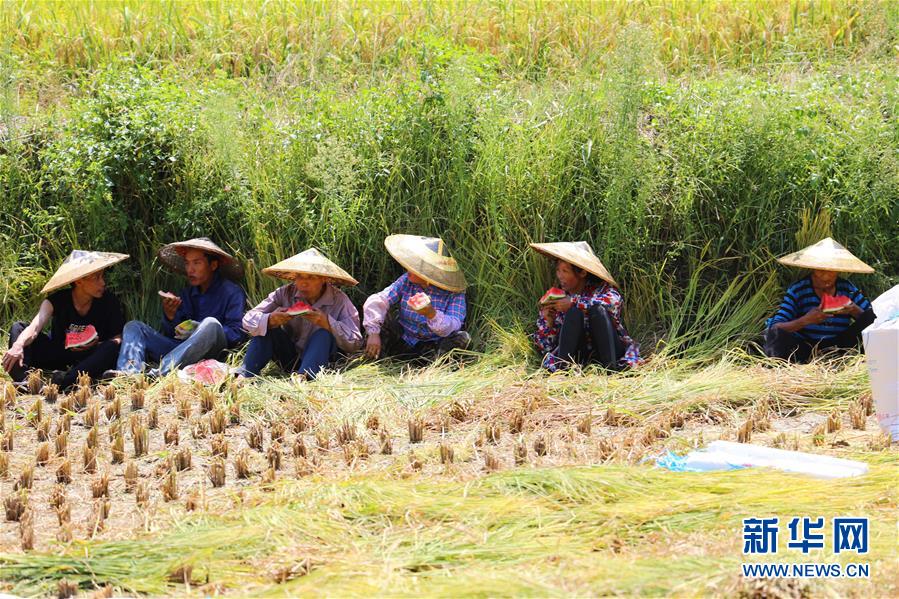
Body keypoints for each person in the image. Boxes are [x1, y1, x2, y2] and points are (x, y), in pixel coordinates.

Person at [114, 237, 247, 376]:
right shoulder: (187, 293)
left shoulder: (232, 292)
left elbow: (237, 334)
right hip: (180, 352)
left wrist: (201, 328)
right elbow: (174, 334)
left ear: (213, 265)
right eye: (187, 263)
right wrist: (171, 316)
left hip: (212, 352)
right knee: (134, 326)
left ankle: (159, 373)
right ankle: (128, 373)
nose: (190, 269)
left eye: (196, 263)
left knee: (211, 323)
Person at [2, 250, 128, 389]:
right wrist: (18, 345)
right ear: (79, 281)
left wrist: (102, 345)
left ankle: (67, 381)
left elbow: (118, 337)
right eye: (96, 278)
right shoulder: (56, 300)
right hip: (59, 354)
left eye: (102, 277)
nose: (103, 283)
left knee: (112, 346)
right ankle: (24, 382)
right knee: (18, 328)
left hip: (91, 359)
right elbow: (35, 327)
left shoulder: (109, 301)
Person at [238, 248, 362, 380]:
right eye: (299, 277)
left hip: (323, 363)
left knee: (323, 334)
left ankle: (303, 379)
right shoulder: (284, 293)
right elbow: (248, 320)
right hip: (290, 359)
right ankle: (244, 375)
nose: (303, 283)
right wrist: (270, 320)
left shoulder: (340, 300)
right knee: (267, 329)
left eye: (311, 277)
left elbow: (355, 343)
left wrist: (327, 323)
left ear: (324, 279)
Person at [530, 241, 640, 372]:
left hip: (608, 352)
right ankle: (563, 369)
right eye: (558, 270)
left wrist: (574, 302)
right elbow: (545, 348)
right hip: (577, 356)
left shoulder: (602, 291)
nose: (560, 276)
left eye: (565, 271)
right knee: (574, 313)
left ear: (582, 273)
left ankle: (612, 368)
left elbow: (613, 302)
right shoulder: (556, 300)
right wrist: (549, 323)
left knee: (597, 310)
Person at [764, 237, 876, 363]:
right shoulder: (798, 290)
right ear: (813, 268)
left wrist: (854, 310)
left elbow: (873, 319)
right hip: (806, 347)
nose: (826, 276)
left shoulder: (847, 288)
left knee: (871, 319)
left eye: (831, 271)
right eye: (821, 270)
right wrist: (805, 320)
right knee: (776, 335)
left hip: (840, 346)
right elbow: (775, 327)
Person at [363, 234, 470, 361]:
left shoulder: (454, 293)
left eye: (416, 266)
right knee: (381, 317)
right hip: (403, 339)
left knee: (463, 338)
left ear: (429, 274)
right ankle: (379, 355)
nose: (409, 267)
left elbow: (453, 325)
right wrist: (373, 333)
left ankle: (435, 365)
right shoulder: (406, 281)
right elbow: (381, 299)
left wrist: (431, 314)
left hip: (433, 346)